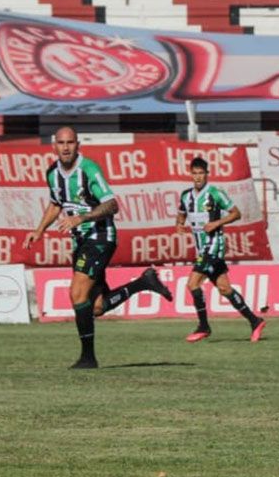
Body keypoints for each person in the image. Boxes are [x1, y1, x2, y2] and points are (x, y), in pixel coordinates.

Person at [23, 127, 172, 369]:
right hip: (80, 242)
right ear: (54, 146)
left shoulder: (88, 169)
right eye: (61, 143)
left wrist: (81, 218)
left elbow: (112, 205)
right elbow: (55, 204)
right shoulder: (52, 173)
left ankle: (88, 358)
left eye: (70, 142)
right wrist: (39, 230)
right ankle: (144, 282)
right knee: (97, 306)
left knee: (77, 294)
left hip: (100, 237)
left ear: (78, 144)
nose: (66, 147)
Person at [175, 156, 265, 343]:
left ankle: (203, 326)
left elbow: (236, 213)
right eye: (195, 173)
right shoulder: (186, 196)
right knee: (225, 289)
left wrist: (217, 222)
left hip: (214, 247)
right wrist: (179, 226)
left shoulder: (215, 193)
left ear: (207, 174)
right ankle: (255, 321)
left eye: (201, 173)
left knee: (192, 284)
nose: (198, 177)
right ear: (190, 175)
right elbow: (181, 217)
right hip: (202, 249)